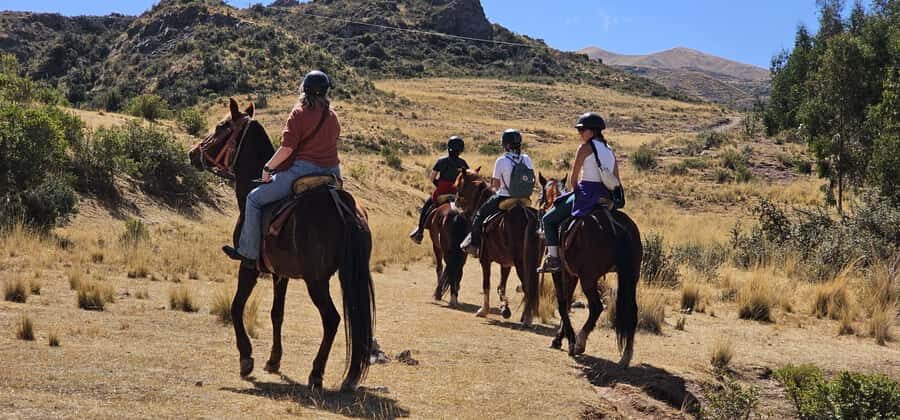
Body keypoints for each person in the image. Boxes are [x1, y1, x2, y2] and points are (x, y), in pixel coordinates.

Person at [223, 70, 341, 266]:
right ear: (326, 91)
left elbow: (287, 149)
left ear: (304, 89)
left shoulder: (299, 113)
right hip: (332, 173)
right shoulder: (333, 116)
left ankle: (248, 253)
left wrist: (268, 168)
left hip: (302, 172)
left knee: (253, 199)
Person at [539, 112, 621, 273]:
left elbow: (574, 179)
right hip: (606, 195)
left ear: (593, 131)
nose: (580, 133)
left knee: (547, 219)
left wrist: (576, 192)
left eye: (582, 130)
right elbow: (616, 178)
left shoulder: (584, 148)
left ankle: (554, 258)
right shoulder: (609, 150)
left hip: (586, 193)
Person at [460, 129, 534, 257]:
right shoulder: (526, 159)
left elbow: (495, 185)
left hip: (505, 197)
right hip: (524, 198)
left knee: (479, 215)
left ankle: (474, 245)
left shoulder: (501, 160)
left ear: (506, 145)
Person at [409, 136, 469, 244]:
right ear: (461, 150)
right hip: (456, 193)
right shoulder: (463, 163)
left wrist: (439, 185)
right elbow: (467, 178)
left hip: (442, 193)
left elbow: (432, 178)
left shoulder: (441, 161)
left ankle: (420, 232)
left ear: (449, 148)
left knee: (427, 206)